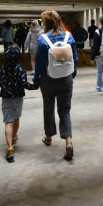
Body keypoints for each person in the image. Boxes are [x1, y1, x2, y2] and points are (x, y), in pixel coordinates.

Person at [33, 10, 78, 161]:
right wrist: (72, 74)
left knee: (48, 108)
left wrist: (36, 80)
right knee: (65, 110)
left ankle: (48, 137)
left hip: (48, 79)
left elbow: (39, 64)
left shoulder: (43, 39)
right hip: (66, 78)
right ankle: (69, 142)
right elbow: (75, 58)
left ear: (45, 23)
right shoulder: (69, 36)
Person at [0, 45, 38, 162]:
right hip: (18, 97)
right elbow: (24, 83)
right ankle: (14, 136)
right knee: (16, 118)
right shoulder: (20, 69)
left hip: (6, 98)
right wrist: (34, 86)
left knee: (8, 121)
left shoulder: (3, 69)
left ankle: (10, 147)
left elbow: (0, 83)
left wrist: (7, 89)